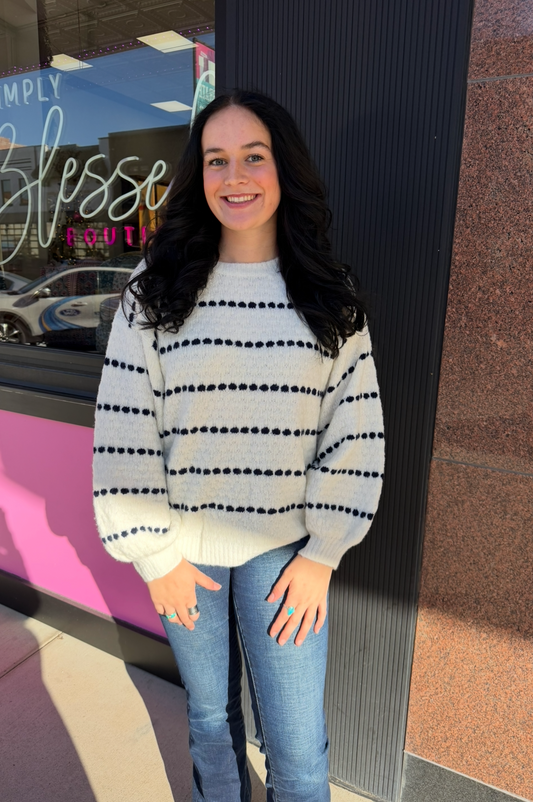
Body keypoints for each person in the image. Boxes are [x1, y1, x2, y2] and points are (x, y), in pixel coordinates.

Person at [92, 89, 385, 802]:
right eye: (216, 160)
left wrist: (322, 556)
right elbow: (125, 425)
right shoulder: (153, 291)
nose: (235, 177)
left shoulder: (328, 294)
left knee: (296, 746)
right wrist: (153, 554)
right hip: (182, 551)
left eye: (253, 157)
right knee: (209, 722)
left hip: (286, 554)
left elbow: (356, 432)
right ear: (198, 178)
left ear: (283, 170)